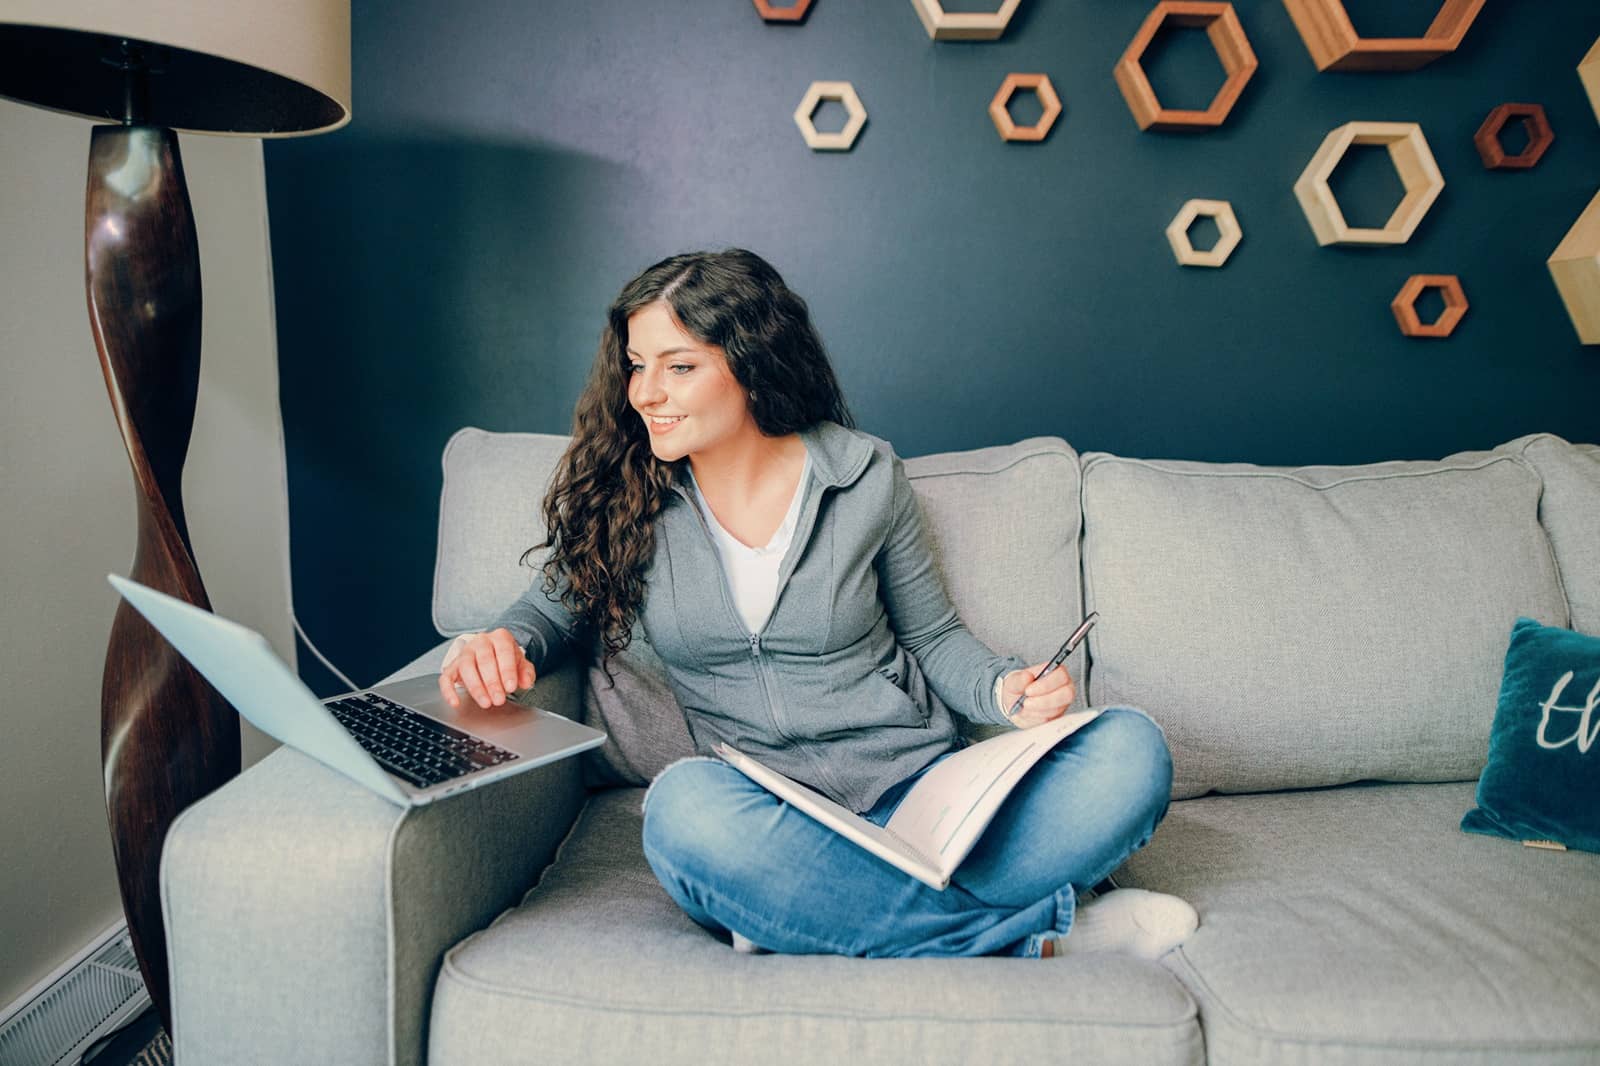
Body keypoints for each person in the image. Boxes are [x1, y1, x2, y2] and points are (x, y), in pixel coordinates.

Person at [438, 248, 1196, 959]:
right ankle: (1034, 937)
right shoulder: (627, 497)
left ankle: (823, 916)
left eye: (679, 366)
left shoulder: (865, 476)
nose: (644, 393)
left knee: (1131, 750)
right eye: (637, 366)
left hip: (919, 790)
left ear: (750, 363)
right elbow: (543, 615)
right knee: (682, 813)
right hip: (778, 820)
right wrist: (500, 643)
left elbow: (934, 638)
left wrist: (1005, 690)